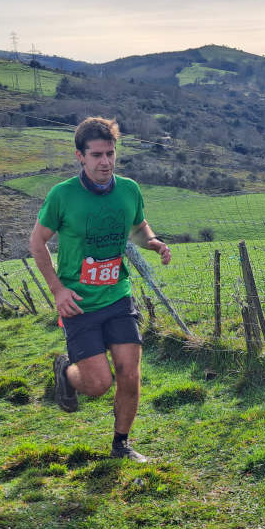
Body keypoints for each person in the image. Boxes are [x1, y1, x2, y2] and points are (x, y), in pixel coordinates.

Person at [29, 116, 171, 463]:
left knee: (130, 372)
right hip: (79, 303)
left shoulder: (128, 189)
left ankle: (121, 443)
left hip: (117, 295)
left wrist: (152, 242)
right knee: (98, 384)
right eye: (96, 155)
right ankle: (66, 371)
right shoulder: (62, 196)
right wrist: (57, 290)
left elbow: (138, 226)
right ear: (80, 156)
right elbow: (37, 242)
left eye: (110, 153)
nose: (105, 162)